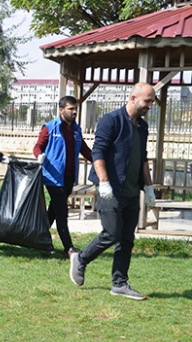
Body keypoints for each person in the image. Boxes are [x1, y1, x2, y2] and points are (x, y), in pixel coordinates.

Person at [69, 82, 156, 301]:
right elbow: (98, 152)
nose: (150, 106)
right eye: (148, 101)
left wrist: (149, 186)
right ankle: (80, 258)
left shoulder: (142, 127)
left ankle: (120, 284)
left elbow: (143, 157)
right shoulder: (111, 120)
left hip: (131, 191)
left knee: (126, 239)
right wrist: (104, 182)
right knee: (112, 233)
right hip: (110, 189)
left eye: (152, 102)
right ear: (133, 98)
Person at [33, 96, 93, 258]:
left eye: (75, 109)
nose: (74, 112)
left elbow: (85, 150)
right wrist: (39, 156)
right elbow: (38, 146)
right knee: (61, 211)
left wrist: (100, 161)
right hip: (53, 177)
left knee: (52, 211)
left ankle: (38, 239)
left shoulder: (76, 130)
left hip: (68, 178)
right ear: (61, 110)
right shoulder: (50, 128)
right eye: (70, 109)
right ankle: (69, 248)